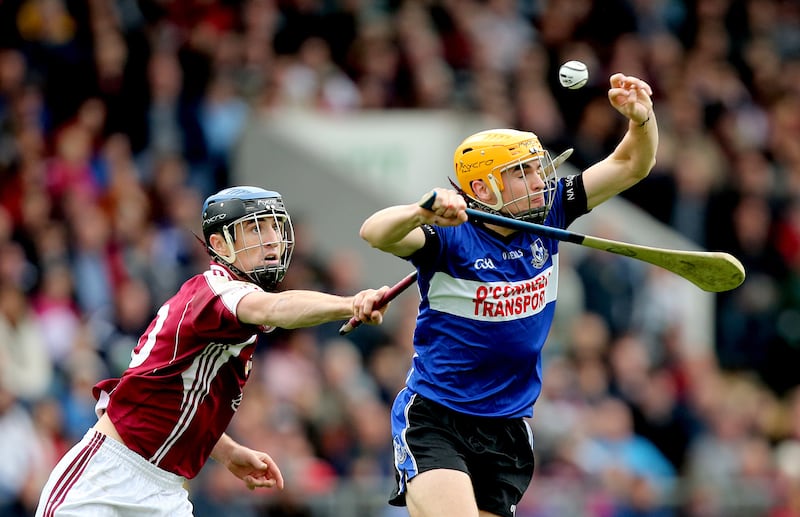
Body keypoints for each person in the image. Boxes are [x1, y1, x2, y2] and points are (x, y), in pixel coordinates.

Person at [359, 73, 658, 517]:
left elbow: (631, 165)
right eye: (521, 173)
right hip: (438, 419)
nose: (538, 180)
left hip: (510, 427)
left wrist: (642, 119)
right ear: (481, 189)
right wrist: (420, 211)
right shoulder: (449, 236)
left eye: (537, 168)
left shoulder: (552, 209)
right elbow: (375, 233)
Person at [35, 186, 391, 516]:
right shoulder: (216, 294)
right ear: (220, 245)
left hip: (166, 490)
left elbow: (174, 401)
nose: (271, 241)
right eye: (255, 230)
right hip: (105, 478)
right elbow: (275, 309)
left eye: (273, 228)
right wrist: (350, 303)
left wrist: (227, 451)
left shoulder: (228, 308)